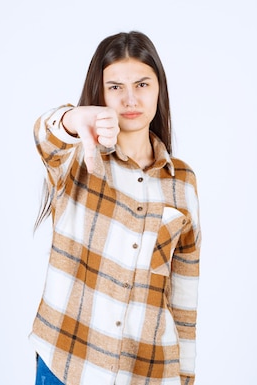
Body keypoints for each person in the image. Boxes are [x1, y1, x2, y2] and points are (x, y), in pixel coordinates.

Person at [29, 31, 202, 385]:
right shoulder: (76, 156)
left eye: (142, 84)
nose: (130, 99)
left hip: (148, 372)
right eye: (115, 87)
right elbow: (45, 137)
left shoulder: (182, 182)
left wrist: (186, 377)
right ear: (100, 93)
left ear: (159, 90)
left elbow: (184, 296)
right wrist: (73, 120)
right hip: (67, 361)